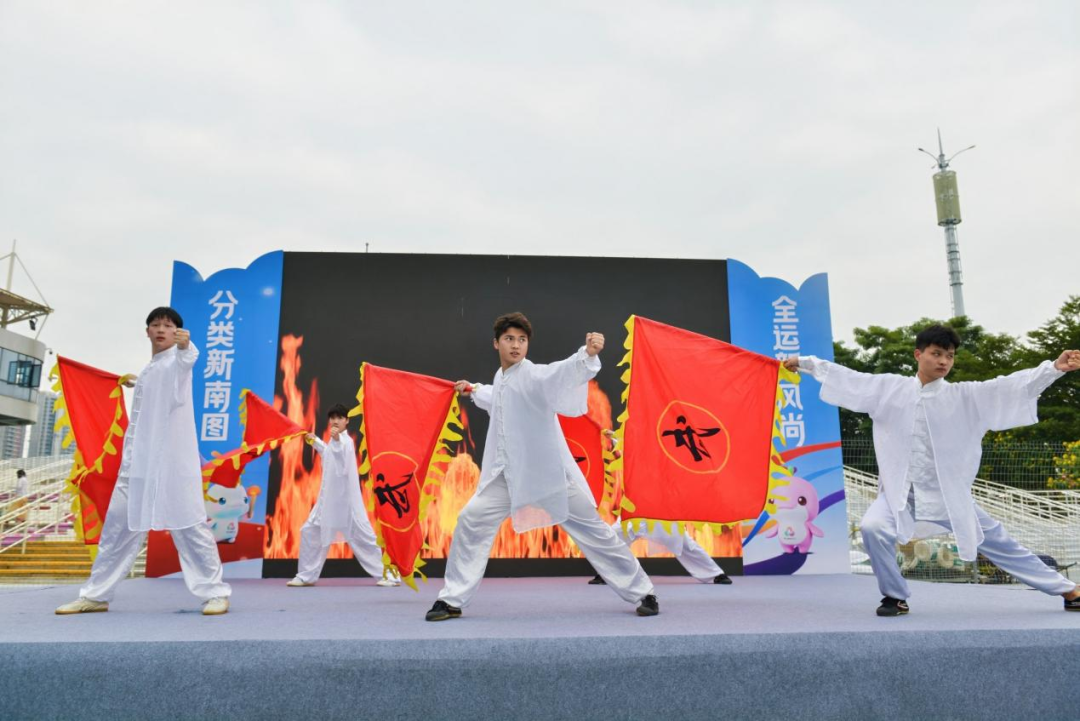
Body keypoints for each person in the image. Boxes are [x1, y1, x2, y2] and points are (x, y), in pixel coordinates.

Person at [785, 324, 1080, 616]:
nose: (943, 361)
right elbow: (850, 379)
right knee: (872, 528)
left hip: (948, 496)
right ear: (918, 354)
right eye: (936, 353)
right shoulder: (889, 389)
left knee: (1000, 543)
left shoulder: (965, 397)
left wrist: (1053, 368)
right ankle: (894, 596)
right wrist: (807, 363)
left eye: (949, 356)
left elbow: (1010, 386)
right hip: (899, 494)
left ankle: (1068, 590)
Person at [426, 312, 658, 621]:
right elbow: (498, 396)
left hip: (550, 477)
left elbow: (560, 373)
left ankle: (644, 592)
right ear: (496, 343)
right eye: (509, 339)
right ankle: (451, 599)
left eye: (522, 340)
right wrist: (473, 389)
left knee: (596, 533)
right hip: (508, 477)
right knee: (471, 519)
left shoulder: (534, 376)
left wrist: (587, 356)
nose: (516, 345)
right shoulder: (502, 377)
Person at [56, 307, 231, 616]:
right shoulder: (151, 369)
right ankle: (96, 595)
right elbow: (156, 389)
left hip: (172, 466)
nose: (161, 329)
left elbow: (186, 360)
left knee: (190, 527)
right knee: (117, 529)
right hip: (137, 467)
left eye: (169, 325)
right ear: (147, 331)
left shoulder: (178, 361)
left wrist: (186, 346)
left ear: (177, 331)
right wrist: (135, 382)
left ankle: (215, 593)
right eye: (156, 324)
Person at [588, 433, 731, 586]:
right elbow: (624, 446)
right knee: (614, 538)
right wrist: (612, 436)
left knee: (684, 544)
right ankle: (606, 574)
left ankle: (716, 574)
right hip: (635, 511)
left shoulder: (668, 456)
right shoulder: (635, 453)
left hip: (660, 512)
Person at [288, 404, 400, 587]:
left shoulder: (345, 442)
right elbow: (328, 455)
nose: (335, 421)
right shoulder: (334, 442)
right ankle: (305, 576)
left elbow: (341, 462)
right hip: (327, 504)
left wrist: (336, 440)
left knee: (366, 541)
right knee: (309, 531)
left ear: (347, 421)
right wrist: (315, 441)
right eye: (332, 418)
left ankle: (390, 576)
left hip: (347, 505)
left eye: (340, 418)